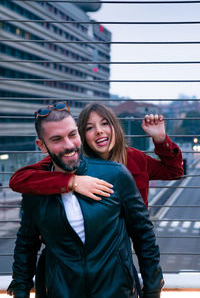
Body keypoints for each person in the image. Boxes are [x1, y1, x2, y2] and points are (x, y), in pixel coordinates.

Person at [7, 103, 164, 298]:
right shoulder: (36, 188)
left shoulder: (115, 174)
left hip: (117, 291)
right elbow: (26, 244)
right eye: (56, 139)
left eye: (72, 135)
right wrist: (20, 290)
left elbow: (144, 236)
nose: (69, 145)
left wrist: (153, 290)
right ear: (42, 146)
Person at [9, 103, 183, 207]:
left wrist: (161, 139)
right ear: (82, 136)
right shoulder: (75, 160)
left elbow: (175, 171)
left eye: (105, 123)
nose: (99, 131)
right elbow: (19, 179)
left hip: (125, 248)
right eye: (90, 127)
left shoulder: (135, 158)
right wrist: (72, 182)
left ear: (114, 127)